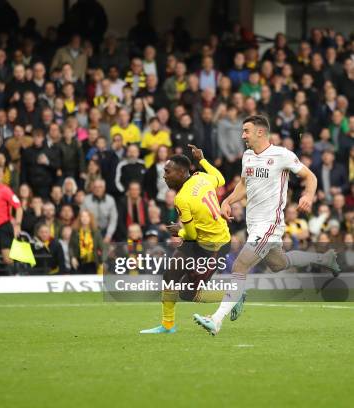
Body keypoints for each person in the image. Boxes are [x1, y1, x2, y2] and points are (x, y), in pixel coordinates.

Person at [194, 115, 340, 336]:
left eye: (246, 131)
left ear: (260, 132)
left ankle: (216, 319)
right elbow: (243, 184)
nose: (243, 136)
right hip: (255, 226)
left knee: (239, 266)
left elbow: (310, 177)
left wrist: (308, 196)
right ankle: (324, 259)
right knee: (280, 263)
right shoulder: (248, 156)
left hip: (270, 225)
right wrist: (227, 201)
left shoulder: (282, 155)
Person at [139, 145, 232, 334]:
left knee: (188, 293)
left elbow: (190, 235)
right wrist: (203, 160)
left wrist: (177, 231)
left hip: (214, 244)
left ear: (182, 172)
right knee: (170, 275)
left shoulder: (182, 198)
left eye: (167, 171)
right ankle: (167, 325)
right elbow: (221, 179)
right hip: (203, 240)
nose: (164, 176)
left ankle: (233, 296)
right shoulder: (201, 177)